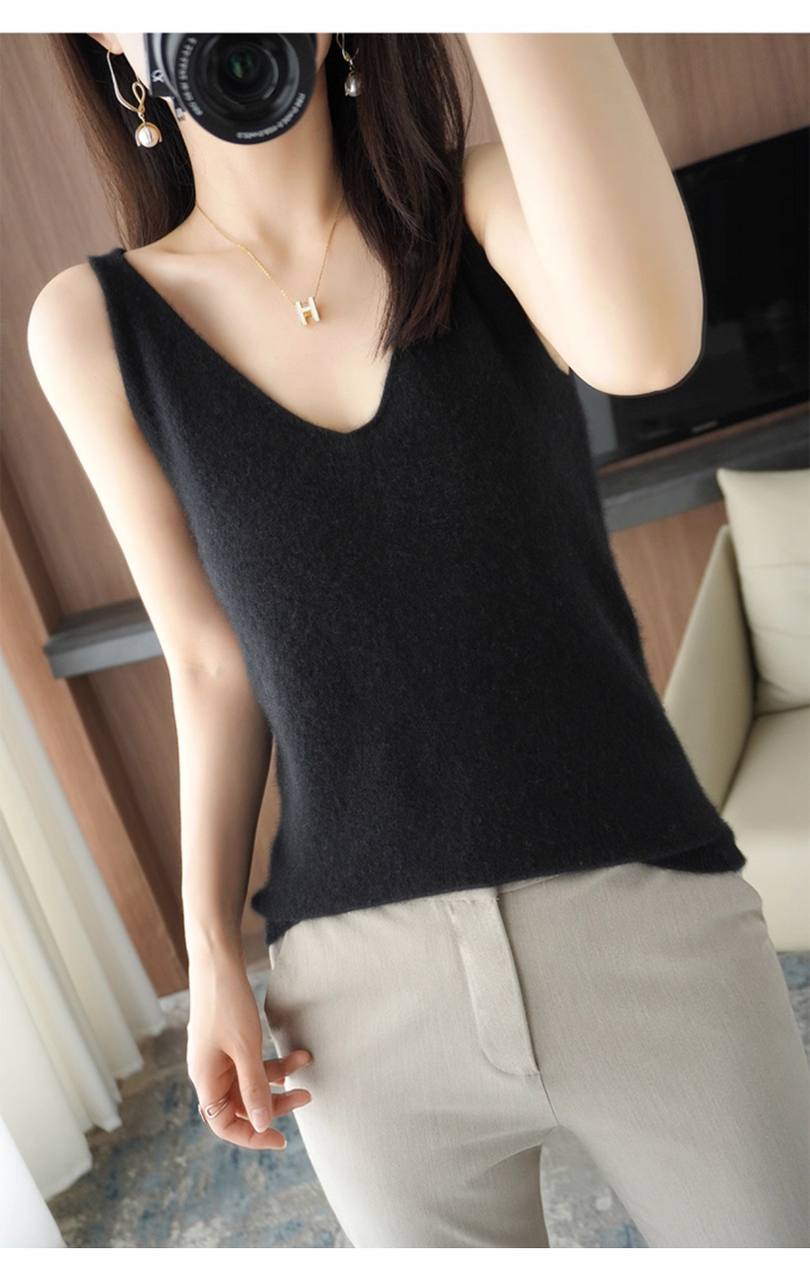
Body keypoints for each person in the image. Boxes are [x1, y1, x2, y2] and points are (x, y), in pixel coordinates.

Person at [27, 32, 810, 1248]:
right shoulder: (92, 326)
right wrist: (213, 955)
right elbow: (211, 663)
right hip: (357, 1010)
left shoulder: (485, 203)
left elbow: (647, 346)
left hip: (647, 911)